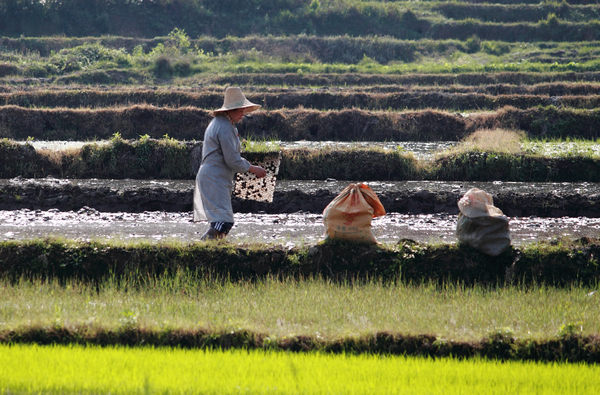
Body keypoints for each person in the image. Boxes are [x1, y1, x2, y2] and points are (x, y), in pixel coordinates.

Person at [194, 87, 267, 240]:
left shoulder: (222, 124)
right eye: (239, 110)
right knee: (223, 221)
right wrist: (253, 169)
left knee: (222, 222)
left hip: (216, 177)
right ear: (230, 110)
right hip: (214, 177)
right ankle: (201, 248)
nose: (242, 114)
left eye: (243, 110)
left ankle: (214, 250)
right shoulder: (225, 127)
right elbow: (232, 160)